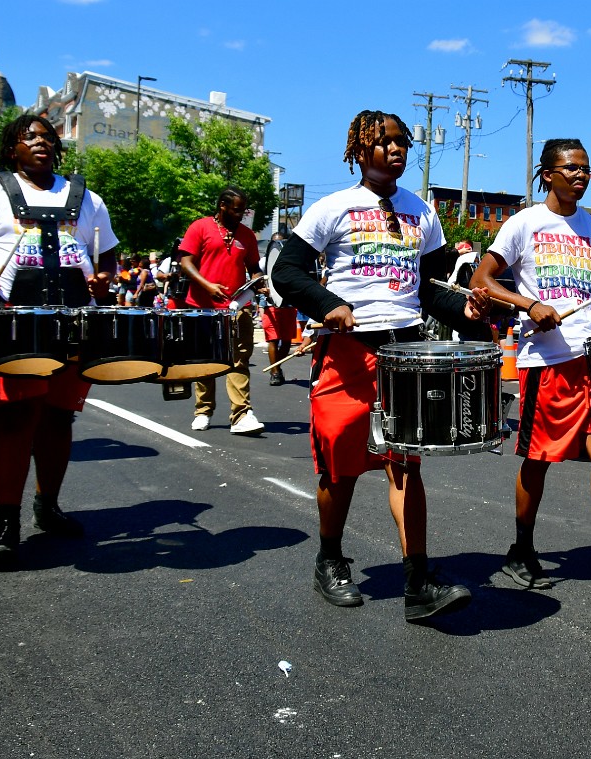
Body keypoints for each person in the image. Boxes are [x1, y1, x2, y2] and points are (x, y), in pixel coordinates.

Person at [273, 109, 491, 621]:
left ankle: (418, 581)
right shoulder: (334, 208)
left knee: (404, 462)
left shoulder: (423, 213)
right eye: (385, 142)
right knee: (339, 466)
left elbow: (433, 289)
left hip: (405, 353)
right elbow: (288, 271)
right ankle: (330, 558)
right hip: (347, 353)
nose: (396, 150)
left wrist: (466, 308)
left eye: (402, 143)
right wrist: (328, 305)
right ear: (360, 148)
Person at [471, 138, 591, 599]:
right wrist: (529, 303)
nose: (580, 176)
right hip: (547, 360)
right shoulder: (523, 224)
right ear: (548, 174)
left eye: (586, 170)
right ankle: (521, 549)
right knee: (538, 459)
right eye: (572, 169)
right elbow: (481, 281)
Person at [0, 114, 118, 568]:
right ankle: (7, 524)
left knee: (59, 420)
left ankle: (48, 504)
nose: (40, 142)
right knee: (16, 421)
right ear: (11, 149)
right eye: (29, 137)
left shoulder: (86, 198)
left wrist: (103, 278)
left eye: (47, 136)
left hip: (73, 324)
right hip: (14, 325)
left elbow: (109, 258)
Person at [181, 187, 265, 434]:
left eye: (243, 210)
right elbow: (185, 262)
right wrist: (207, 285)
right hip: (202, 307)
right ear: (222, 206)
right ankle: (203, 411)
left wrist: (260, 282)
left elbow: (254, 267)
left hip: (237, 307)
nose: (241, 215)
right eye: (237, 209)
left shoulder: (247, 235)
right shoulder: (200, 227)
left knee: (238, 360)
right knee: (205, 359)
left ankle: (240, 415)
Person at [260, 232, 298, 386]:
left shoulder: (292, 260)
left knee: (287, 341)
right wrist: (263, 289)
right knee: (273, 339)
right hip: (270, 304)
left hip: (288, 305)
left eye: (281, 242)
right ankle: (275, 372)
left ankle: (276, 366)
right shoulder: (264, 262)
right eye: (276, 242)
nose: (279, 245)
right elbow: (257, 277)